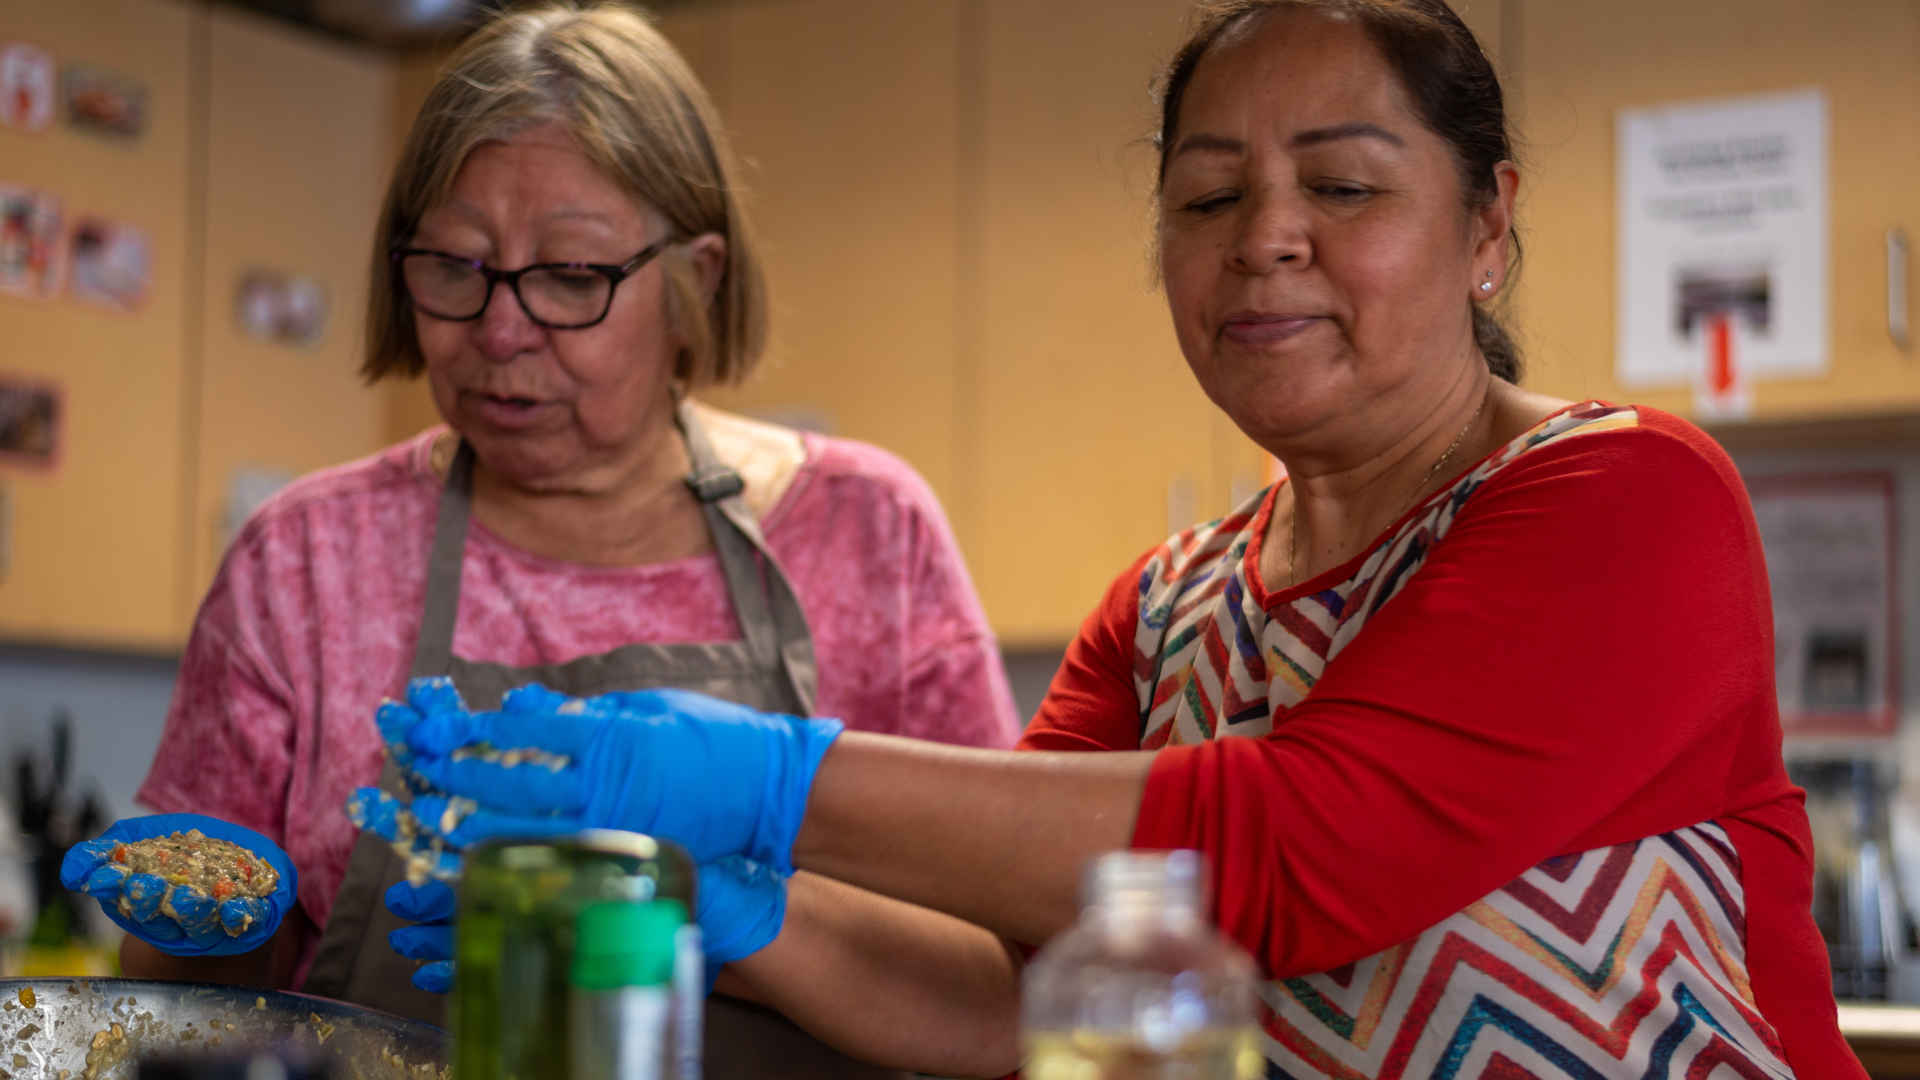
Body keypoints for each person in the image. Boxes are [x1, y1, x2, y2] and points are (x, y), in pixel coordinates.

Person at [376, 1, 1866, 1078]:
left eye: (1343, 187)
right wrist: (726, 912)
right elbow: (1006, 997)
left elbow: (1293, 846)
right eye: (1209, 195)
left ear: (1487, 229)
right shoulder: (1164, 613)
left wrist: (761, 778)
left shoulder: (1627, 495)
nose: (1264, 236)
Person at [76, 4, 1019, 1076]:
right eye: (454, 266)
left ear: (695, 280)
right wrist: (199, 929)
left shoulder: (866, 537)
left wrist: (736, 921)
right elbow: (174, 1018)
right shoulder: (305, 561)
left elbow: (998, 1002)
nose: (500, 329)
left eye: (572, 275)